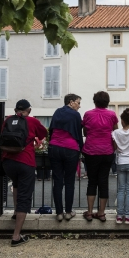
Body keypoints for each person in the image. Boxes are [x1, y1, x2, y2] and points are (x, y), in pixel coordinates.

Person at [1, 99, 48, 247]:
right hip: (25, 161)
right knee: (24, 197)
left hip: (7, 161)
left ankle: (15, 212)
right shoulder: (32, 121)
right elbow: (43, 133)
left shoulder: (8, 119)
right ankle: (16, 236)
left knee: (15, 183)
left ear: (16, 110)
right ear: (29, 110)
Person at [81, 91, 118, 222]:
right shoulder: (112, 115)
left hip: (91, 151)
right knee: (103, 181)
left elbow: (85, 131)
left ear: (94, 101)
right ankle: (101, 212)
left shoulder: (88, 114)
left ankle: (90, 212)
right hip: (107, 151)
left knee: (92, 181)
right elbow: (115, 131)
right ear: (107, 102)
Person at [48, 93, 83, 222]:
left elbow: (51, 130)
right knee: (69, 181)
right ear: (71, 102)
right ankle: (68, 212)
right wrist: (81, 149)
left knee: (57, 181)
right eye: (78, 103)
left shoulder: (57, 112)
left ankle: (58, 213)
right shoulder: (75, 115)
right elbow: (78, 134)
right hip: (70, 149)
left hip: (54, 148)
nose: (79, 106)